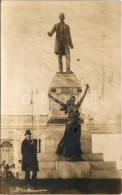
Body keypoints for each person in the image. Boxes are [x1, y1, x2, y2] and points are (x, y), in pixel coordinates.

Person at [48, 84, 89, 161]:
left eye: (74, 99)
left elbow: (83, 97)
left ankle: (77, 156)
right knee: (70, 139)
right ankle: (70, 155)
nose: (73, 100)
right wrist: (51, 97)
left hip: (77, 125)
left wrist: (86, 89)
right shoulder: (67, 106)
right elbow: (58, 101)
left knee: (77, 140)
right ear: (70, 101)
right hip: (70, 125)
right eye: (72, 99)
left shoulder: (77, 105)